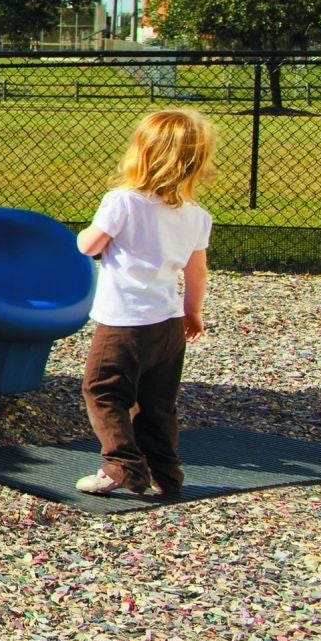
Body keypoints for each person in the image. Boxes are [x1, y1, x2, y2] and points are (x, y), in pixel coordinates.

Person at [73, 109, 215, 500]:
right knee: (157, 402)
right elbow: (197, 270)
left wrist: (88, 232)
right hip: (169, 323)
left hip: (124, 322)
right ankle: (166, 474)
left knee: (103, 389)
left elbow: (88, 245)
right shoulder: (196, 216)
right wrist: (193, 312)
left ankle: (122, 465)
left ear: (141, 154)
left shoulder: (122, 202)